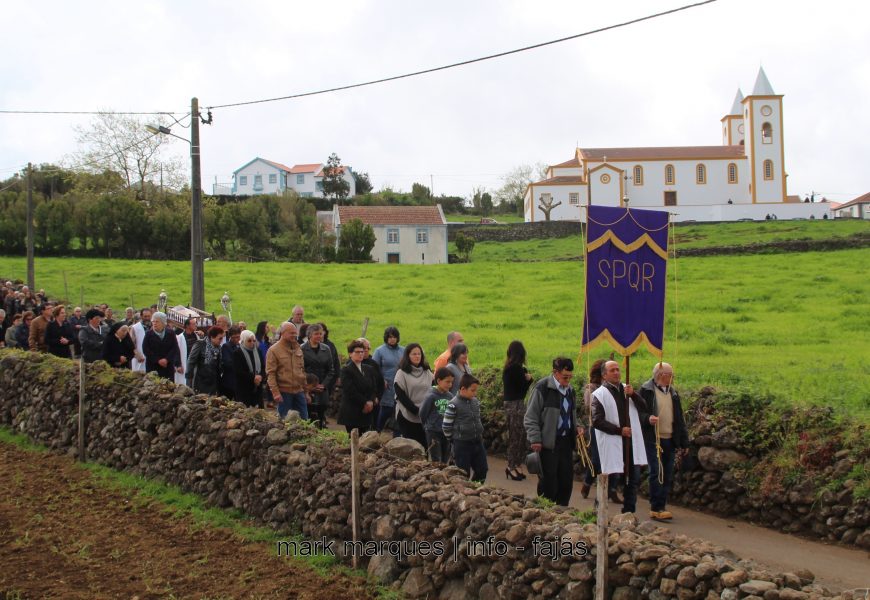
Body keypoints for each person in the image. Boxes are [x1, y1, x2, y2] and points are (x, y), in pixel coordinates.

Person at [591, 360, 648, 514]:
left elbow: (644, 407)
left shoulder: (627, 390)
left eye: (618, 369)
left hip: (630, 441)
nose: (616, 372)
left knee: (633, 478)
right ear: (604, 375)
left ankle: (629, 512)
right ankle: (599, 510)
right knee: (611, 477)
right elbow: (597, 420)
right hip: (613, 440)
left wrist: (634, 394)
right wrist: (618, 430)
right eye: (612, 370)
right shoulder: (599, 395)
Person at [524, 357, 582, 506]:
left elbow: (572, 414)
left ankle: (562, 512)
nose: (568, 380)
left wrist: (578, 426)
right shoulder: (542, 388)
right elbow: (531, 416)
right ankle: (544, 511)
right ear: (555, 373)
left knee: (566, 481)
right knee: (549, 481)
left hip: (566, 442)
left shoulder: (571, 391)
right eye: (565, 377)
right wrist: (535, 439)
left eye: (570, 377)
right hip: (548, 443)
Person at [639, 362, 689, 521]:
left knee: (667, 474)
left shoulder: (673, 393)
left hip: (670, 439)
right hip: (653, 438)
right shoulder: (646, 391)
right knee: (656, 472)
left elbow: (679, 418)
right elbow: (638, 413)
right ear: (661, 375)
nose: (672, 377)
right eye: (670, 374)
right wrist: (648, 419)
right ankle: (656, 507)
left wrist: (684, 442)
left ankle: (662, 504)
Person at [579, 359, 621, 503]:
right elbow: (590, 408)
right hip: (596, 428)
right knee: (598, 461)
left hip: (613, 428)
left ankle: (612, 490)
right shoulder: (591, 389)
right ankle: (587, 483)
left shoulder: (614, 388)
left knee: (615, 458)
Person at [443, 374, 487, 483]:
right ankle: (464, 494)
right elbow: (446, 426)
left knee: (482, 469)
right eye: (473, 390)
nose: (475, 393)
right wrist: (452, 440)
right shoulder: (453, 404)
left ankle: (475, 490)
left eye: (476, 390)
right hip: (461, 443)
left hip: (477, 441)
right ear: (463, 389)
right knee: (463, 473)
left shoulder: (475, 402)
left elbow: (477, 419)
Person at [502, 340, 534, 481]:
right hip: (517, 405)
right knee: (517, 437)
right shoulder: (517, 369)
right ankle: (511, 466)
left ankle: (515, 465)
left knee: (517, 436)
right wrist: (529, 380)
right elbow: (522, 390)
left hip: (511, 405)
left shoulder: (508, 367)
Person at [393, 343, 432, 449]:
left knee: (425, 447)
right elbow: (401, 396)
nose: (417, 356)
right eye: (414, 354)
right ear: (408, 356)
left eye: (419, 354)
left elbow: (433, 391)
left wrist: (425, 410)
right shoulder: (401, 373)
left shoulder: (427, 372)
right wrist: (415, 410)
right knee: (412, 448)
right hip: (407, 416)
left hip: (425, 416)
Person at [266, 321, 307, 419]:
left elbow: (302, 370)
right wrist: (275, 393)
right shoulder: (273, 350)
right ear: (283, 333)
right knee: (284, 423)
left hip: (299, 392)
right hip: (284, 393)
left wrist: (306, 392)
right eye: (291, 333)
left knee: (305, 421)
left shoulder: (298, 348)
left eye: (295, 332)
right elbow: (270, 374)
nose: (294, 335)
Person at [338, 339, 377, 434]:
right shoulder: (346, 370)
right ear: (350, 354)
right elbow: (350, 390)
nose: (360, 354)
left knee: (365, 441)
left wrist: (371, 401)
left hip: (367, 411)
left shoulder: (369, 369)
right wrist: (365, 402)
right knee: (354, 440)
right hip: (352, 410)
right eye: (357, 352)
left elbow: (373, 388)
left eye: (362, 352)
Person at [301, 324, 335, 428]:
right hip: (309, 387)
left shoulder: (326, 348)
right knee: (309, 415)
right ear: (310, 335)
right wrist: (311, 386)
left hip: (322, 388)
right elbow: (300, 369)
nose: (319, 336)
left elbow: (331, 370)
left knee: (321, 413)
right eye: (316, 334)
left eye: (320, 333)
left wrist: (323, 385)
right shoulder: (302, 349)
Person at [419, 367, 454, 463]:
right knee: (436, 458)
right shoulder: (431, 396)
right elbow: (423, 413)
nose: (450, 385)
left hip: (446, 432)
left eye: (451, 382)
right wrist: (427, 426)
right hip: (433, 431)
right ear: (438, 380)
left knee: (445, 457)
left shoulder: (450, 396)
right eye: (447, 382)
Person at [372, 326, 404, 433]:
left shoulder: (403, 350)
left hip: (400, 384)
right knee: (386, 409)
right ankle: (377, 431)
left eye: (394, 337)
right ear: (386, 338)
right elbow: (374, 369)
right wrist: (381, 381)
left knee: (399, 410)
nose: (392, 339)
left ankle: (397, 435)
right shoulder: (379, 351)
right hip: (386, 385)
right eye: (390, 337)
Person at [142, 312, 182, 381]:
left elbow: (174, 348)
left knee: (168, 387)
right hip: (153, 366)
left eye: (157, 321)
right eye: (153, 321)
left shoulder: (171, 333)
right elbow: (145, 349)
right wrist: (158, 360)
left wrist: (166, 359)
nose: (154, 323)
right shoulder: (148, 334)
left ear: (163, 323)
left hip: (167, 366)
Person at [187, 326, 225, 394]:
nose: (221, 341)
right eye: (220, 338)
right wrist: (189, 380)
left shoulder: (218, 348)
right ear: (212, 337)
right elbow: (191, 361)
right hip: (201, 381)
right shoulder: (200, 344)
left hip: (213, 382)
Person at [359, 338, 386, 429]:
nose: (366, 350)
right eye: (364, 348)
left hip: (374, 402)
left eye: (368, 348)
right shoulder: (351, 364)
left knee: (373, 429)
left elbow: (380, 383)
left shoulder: (374, 364)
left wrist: (377, 397)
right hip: (358, 404)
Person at [234, 330, 265, 408]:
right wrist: (253, 377)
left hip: (257, 388)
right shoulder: (238, 353)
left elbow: (263, 367)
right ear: (243, 340)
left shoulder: (258, 351)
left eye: (254, 340)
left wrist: (260, 376)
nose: (252, 343)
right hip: (244, 389)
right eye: (249, 340)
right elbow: (238, 371)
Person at [220, 326, 241, 399]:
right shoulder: (226, 346)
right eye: (234, 337)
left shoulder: (240, 345)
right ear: (230, 337)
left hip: (238, 381)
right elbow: (227, 363)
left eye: (238, 337)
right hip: (229, 381)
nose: (236, 339)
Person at [130, 308, 152, 372]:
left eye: (149, 316)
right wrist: (137, 355)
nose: (147, 318)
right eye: (145, 316)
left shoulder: (154, 326)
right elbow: (131, 344)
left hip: (152, 358)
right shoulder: (135, 327)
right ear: (141, 316)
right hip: (140, 357)